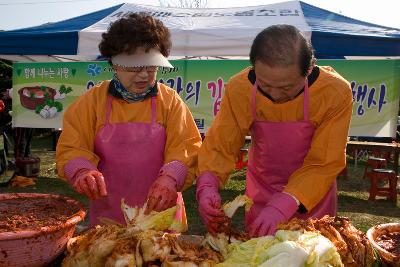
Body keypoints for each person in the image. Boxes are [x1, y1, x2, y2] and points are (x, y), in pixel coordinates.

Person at [196, 24, 353, 237]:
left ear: (308, 70)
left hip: (312, 198)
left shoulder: (335, 91)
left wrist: (286, 202)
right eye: (265, 85)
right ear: (253, 67)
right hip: (262, 193)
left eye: (287, 87)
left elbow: (325, 160)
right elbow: (221, 144)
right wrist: (208, 183)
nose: (276, 95)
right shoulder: (240, 88)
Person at [56, 13, 202, 227]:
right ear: (114, 64)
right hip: (109, 214)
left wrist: (171, 177)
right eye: (134, 67)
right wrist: (81, 170)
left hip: (161, 215)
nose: (144, 75)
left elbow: (187, 147)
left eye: (151, 66)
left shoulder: (170, 101)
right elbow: (71, 146)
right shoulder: (92, 101)